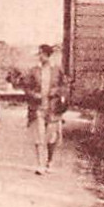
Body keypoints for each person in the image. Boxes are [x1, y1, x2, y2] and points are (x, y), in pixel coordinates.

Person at [26, 43, 66, 174]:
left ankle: (49, 161)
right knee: (39, 136)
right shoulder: (33, 71)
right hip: (37, 107)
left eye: (42, 54)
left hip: (53, 107)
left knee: (52, 138)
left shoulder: (57, 70)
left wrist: (56, 91)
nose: (40, 57)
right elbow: (27, 88)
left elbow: (64, 86)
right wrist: (33, 94)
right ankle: (40, 164)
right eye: (39, 54)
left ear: (48, 55)